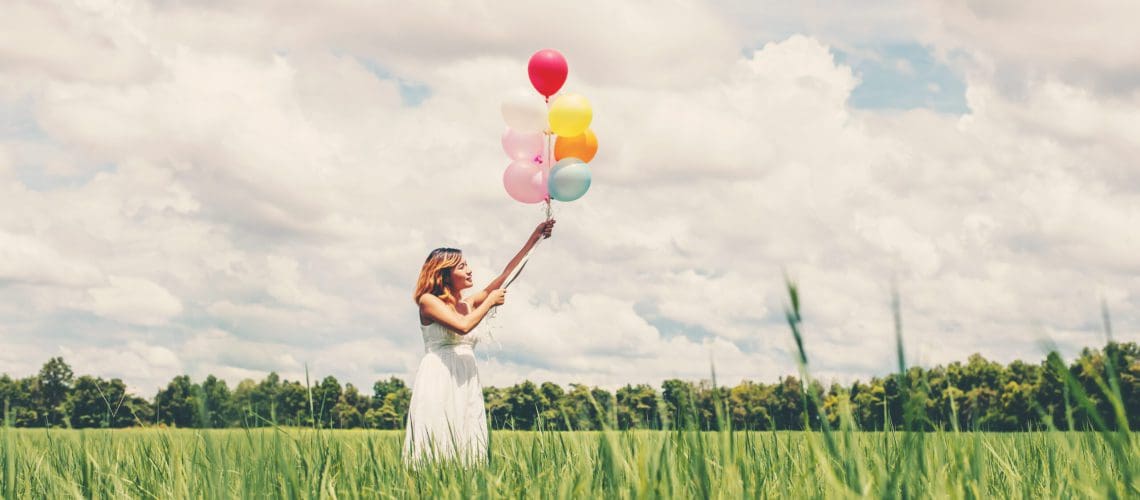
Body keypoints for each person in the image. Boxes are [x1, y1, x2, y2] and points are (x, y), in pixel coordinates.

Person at [403, 219, 556, 466]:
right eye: (463, 266)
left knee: (466, 437)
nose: (470, 270)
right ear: (445, 273)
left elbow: (506, 276)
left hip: (466, 376)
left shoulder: (468, 304)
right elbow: (463, 326)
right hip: (439, 375)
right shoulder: (428, 301)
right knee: (438, 435)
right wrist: (489, 302)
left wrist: (534, 239)